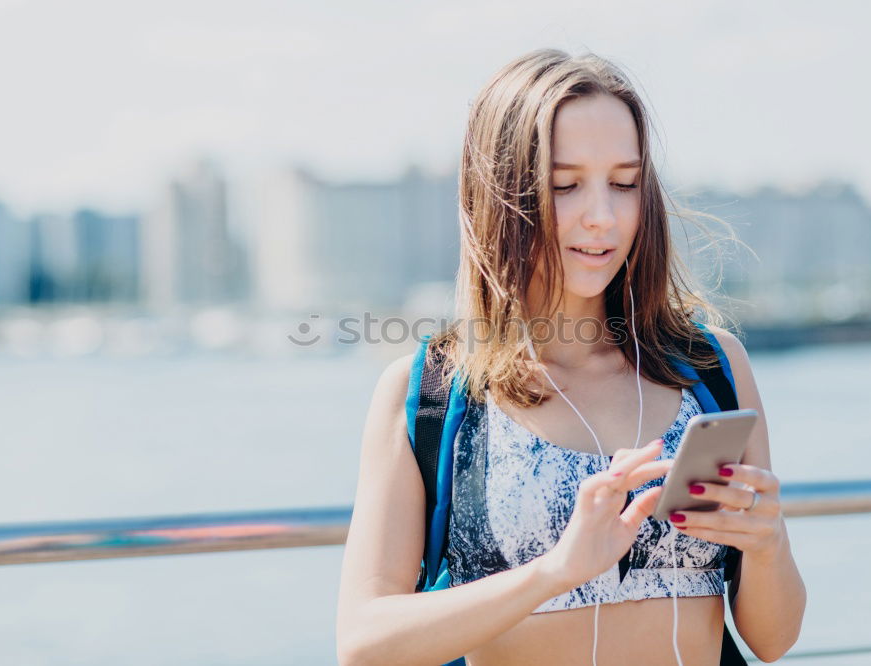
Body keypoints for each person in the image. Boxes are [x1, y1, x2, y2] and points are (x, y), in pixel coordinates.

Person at [336, 48, 806, 666]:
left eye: (624, 183)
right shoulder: (430, 390)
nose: (602, 217)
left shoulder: (712, 366)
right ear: (501, 194)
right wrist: (556, 570)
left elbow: (774, 640)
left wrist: (767, 545)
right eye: (565, 185)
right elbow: (365, 643)